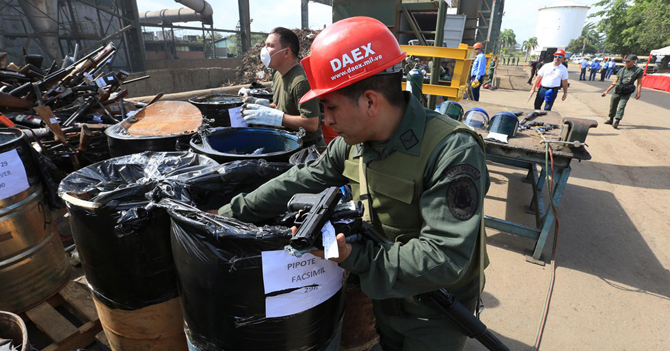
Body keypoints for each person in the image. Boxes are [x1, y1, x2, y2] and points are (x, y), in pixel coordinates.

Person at [218, 16, 490, 351]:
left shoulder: (451, 151)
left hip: (435, 310)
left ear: (371, 102)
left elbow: (444, 257)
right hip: (386, 292)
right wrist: (230, 212)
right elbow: (300, 179)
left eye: (330, 106)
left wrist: (353, 256)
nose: (326, 120)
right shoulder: (351, 144)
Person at [242, 27, 325, 147]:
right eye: (265, 45)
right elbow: (282, 105)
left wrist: (274, 118)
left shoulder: (300, 81)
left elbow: (312, 123)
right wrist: (262, 106)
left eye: (270, 46)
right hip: (290, 142)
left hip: (308, 148)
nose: (264, 50)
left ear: (286, 52)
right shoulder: (278, 75)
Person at [601, 54, 643, 129]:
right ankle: (611, 119)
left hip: (627, 91)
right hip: (618, 89)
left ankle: (617, 121)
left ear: (633, 61)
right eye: (625, 61)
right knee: (613, 104)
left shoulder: (637, 71)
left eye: (628, 61)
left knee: (621, 106)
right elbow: (615, 82)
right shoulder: (621, 70)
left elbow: (639, 82)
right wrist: (606, 91)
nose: (626, 63)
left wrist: (639, 92)